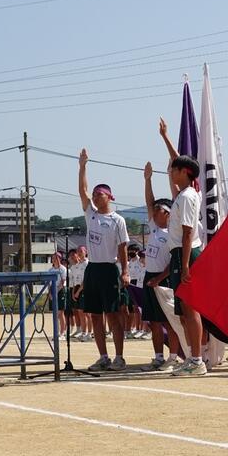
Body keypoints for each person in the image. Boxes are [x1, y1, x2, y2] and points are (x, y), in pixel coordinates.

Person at [158, 119, 207, 376]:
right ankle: (193, 357)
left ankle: (197, 360)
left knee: (190, 308)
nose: (171, 172)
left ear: (185, 172)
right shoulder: (185, 191)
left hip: (185, 254)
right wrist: (166, 138)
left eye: (174, 170)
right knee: (185, 312)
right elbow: (179, 159)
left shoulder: (187, 196)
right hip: (180, 254)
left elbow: (188, 232)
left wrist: (186, 263)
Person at [78, 148, 131, 372]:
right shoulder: (91, 215)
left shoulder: (118, 220)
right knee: (95, 316)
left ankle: (119, 357)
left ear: (109, 197)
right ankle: (103, 357)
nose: (95, 196)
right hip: (92, 270)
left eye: (99, 194)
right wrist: (82, 166)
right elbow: (82, 190)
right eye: (95, 194)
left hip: (109, 270)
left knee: (113, 316)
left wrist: (125, 271)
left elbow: (123, 247)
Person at [142, 161, 182, 371]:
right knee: (154, 322)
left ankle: (173, 357)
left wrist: (159, 279)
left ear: (167, 213)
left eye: (159, 210)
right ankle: (158, 357)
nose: (154, 212)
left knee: (169, 320)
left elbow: (174, 261)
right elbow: (149, 202)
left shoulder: (172, 233)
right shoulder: (154, 228)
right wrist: (147, 179)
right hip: (150, 276)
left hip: (164, 279)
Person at [68, 247, 90, 341]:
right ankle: (83, 332)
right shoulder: (78, 265)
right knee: (80, 312)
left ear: (85, 252)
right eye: (78, 251)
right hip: (77, 289)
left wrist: (78, 292)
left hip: (85, 289)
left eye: (81, 251)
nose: (79, 253)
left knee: (87, 313)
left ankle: (89, 333)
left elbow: (86, 280)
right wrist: (74, 292)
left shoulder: (87, 263)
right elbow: (74, 281)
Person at [50, 252, 68, 336]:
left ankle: (62, 332)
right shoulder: (50, 270)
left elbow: (63, 281)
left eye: (56, 258)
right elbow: (48, 283)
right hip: (52, 290)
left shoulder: (63, 269)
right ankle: (56, 332)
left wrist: (56, 292)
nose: (54, 260)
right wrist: (50, 293)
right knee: (55, 314)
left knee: (60, 313)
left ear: (60, 259)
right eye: (53, 258)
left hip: (60, 291)